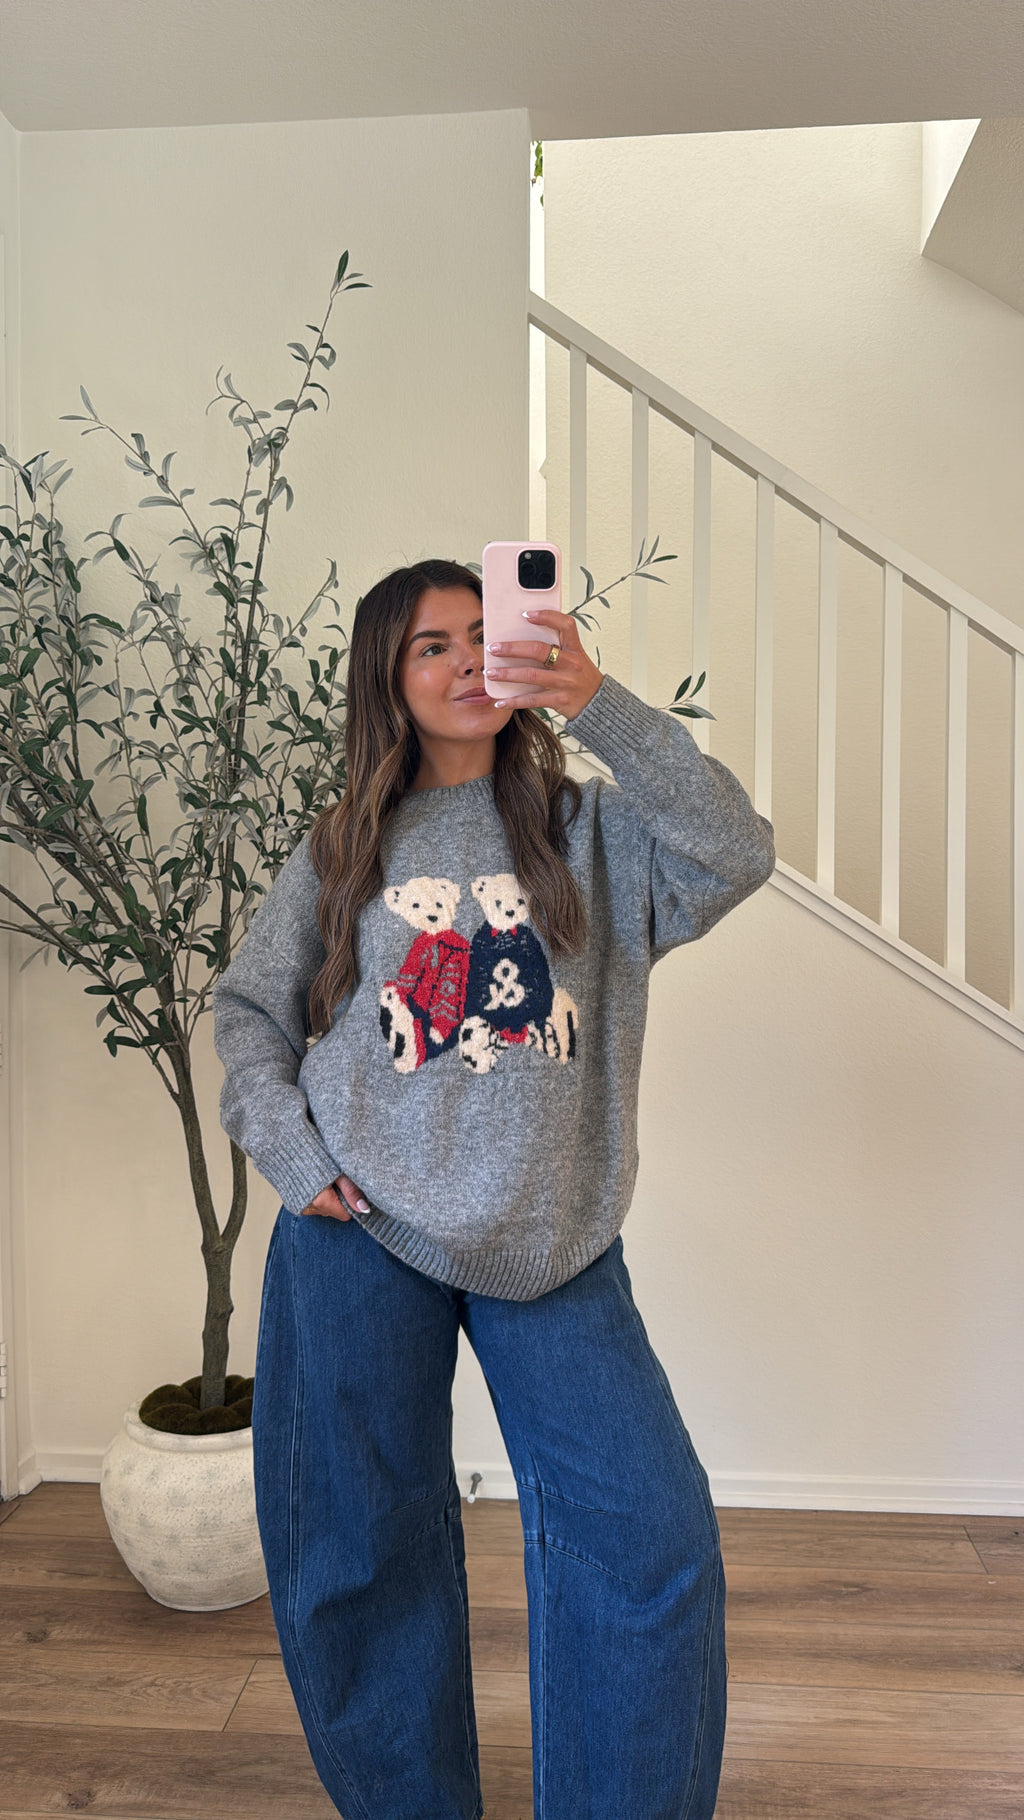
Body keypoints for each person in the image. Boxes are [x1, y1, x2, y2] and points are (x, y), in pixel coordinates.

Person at [212, 557, 776, 1820]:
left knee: (646, 1536)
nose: (467, 658)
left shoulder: (593, 829)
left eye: (486, 631)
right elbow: (249, 1011)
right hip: (357, 1227)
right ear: (389, 678)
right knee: (357, 1550)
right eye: (433, 644)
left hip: (551, 1239)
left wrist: (598, 700)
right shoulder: (342, 846)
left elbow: (737, 849)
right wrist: (294, 1156)